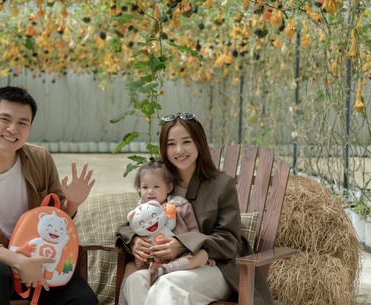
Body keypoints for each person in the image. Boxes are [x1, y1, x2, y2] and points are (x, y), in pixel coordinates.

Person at [0, 86, 98, 305]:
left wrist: (72, 202)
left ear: (30, 128)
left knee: (83, 299)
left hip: (39, 254)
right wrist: (18, 262)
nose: (13, 129)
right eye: (5, 119)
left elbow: (55, 221)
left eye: (22, 123)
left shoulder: (41, 159)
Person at [116, 112, 274, 305]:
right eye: (171, 144)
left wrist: (182, 243)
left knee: (168, 285)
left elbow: (229, 240)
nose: (179, 150)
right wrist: (134, 240)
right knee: (135, 281)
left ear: (199, 143)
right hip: (170, 265)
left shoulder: (222, 184)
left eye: (186, 141)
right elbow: (133, 222)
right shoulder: (160, 182)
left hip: (218, 266)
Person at [117, 161, 214, 305]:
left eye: (156, 187)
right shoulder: (139, 214)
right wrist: (138, 250)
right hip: (153, 262)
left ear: (169, 187)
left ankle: (166, 269)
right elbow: (128, 231)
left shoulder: (180, 206)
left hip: (180, 257)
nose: (150, 191)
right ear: (139, 189)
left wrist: (191, 248)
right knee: (130, 268)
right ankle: (122, 302)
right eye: (145, 187)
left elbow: (194, 233)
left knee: (202, 255)